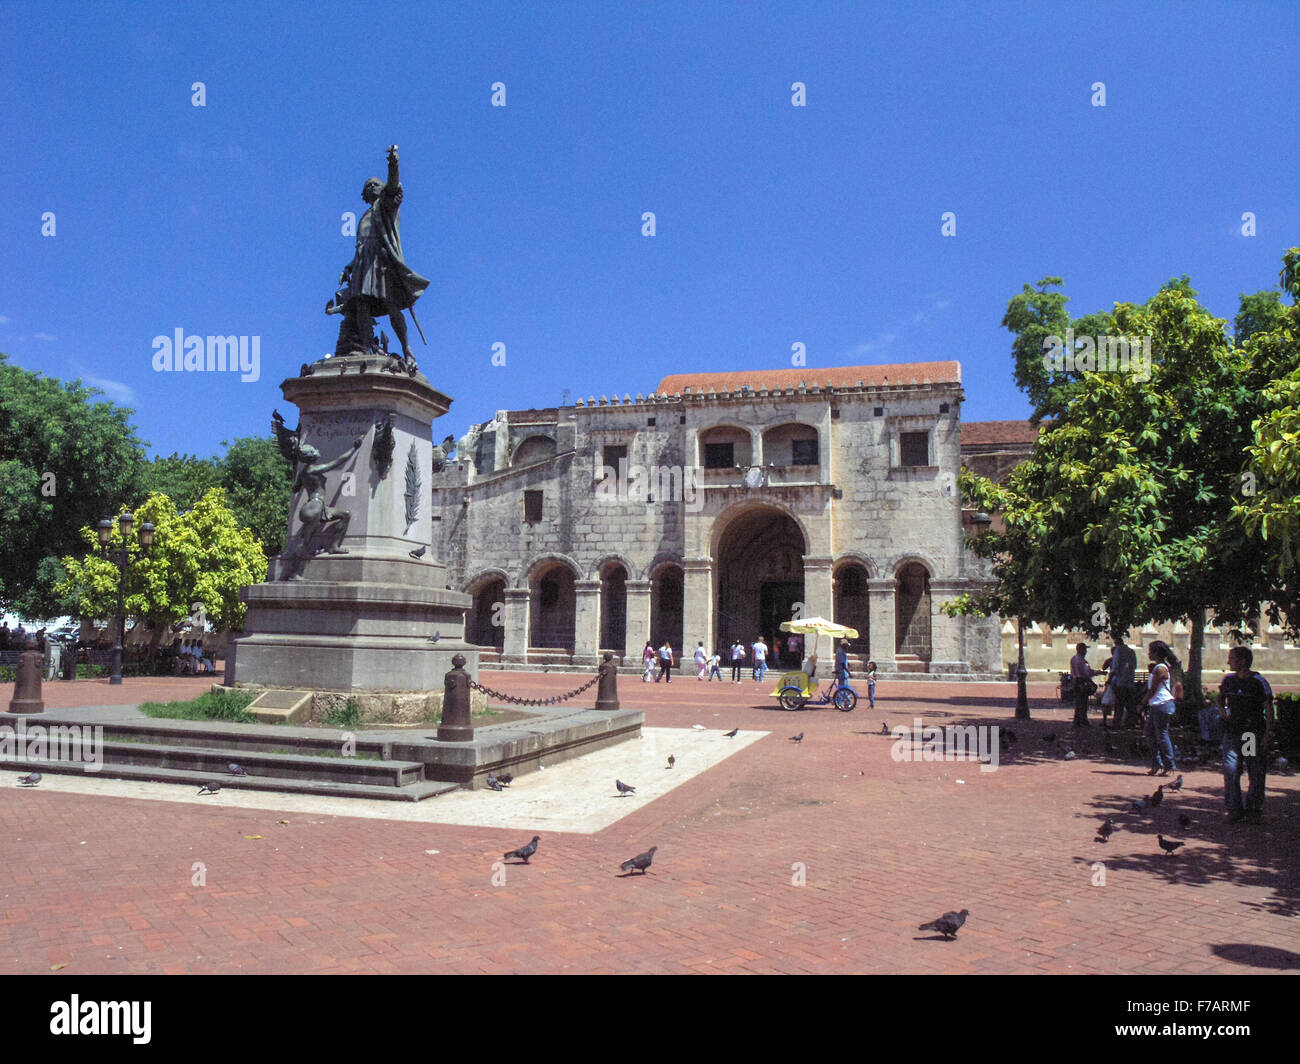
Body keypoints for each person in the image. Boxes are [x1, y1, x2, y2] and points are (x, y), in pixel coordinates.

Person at [326, 145, 430, 366]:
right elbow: (361, 246)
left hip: (382, 263)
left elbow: (393, 186)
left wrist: (393, 164)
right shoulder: (364, 217)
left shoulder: (385, 206)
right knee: (361, 303)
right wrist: (350, 267)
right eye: (368, 186)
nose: (372, 187)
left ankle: (407, 349)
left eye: (375, 184)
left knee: (391, 305)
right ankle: (364, 346)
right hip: (364, 264)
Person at [1219, 646, 1273, 824]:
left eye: (1232, 658)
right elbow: (1220, 700)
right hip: (1232, 733)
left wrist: (1267, 734)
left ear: (1242, 661)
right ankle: (1234, 808)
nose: (1228, 662)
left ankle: (1253, 809)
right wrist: (1223, 712)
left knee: (1254, 772)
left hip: (1249, 735)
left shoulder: (1257, 682)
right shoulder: (1228, 681)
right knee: (1231, 769)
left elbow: (1268, 709)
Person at [1138, 640, 1180, 776]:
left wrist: (1142, 703)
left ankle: (1168, 765)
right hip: (1158, 705)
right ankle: (1157, 764)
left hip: (1161, 704)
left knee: (1161, 735)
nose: (1149, 653)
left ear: (1156, 653)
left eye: (1151, 651)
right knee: (1150, 733)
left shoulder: (1160, 669)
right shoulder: (1160, 667)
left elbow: (1153, 690)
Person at [1101, 635, 1138, 729]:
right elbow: (1134, 666)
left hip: (1120, 682)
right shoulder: (1131, 651)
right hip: (1130, 681)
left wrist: (1109, 679)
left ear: (1116, 643)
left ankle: (1117, 723)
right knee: (1130, 704)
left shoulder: (1118, 651)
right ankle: (1131, 723)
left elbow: (1115, 668)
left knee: (1119, 704)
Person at [1069, 642, 1099, 728]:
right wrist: (1097, 673)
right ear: (1081, 650)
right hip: (1082, 681)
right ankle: (1083, 720)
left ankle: (1077, 720)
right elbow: (1087, 672)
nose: (1086, 651)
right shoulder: (1083, 661)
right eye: (1085, 649)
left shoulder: (1073, 659)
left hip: (1076, 681)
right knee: (1083, 702)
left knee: (1078, 702)